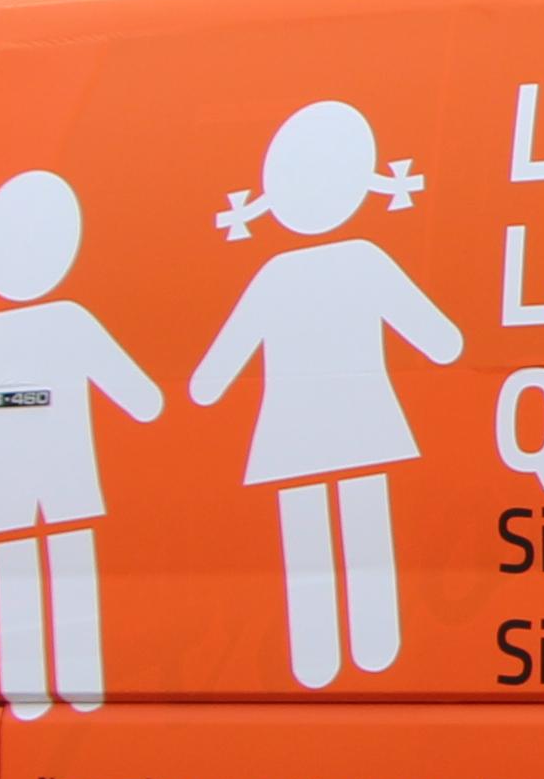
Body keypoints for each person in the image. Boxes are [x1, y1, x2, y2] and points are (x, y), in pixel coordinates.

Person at [189, 101, 465, 690]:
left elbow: (212, 376)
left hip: (289, 435)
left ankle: (315, 658)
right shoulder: (366, 261)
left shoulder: (273, 276)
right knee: (365, 532)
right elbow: (441, 342)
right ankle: (375, 646)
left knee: (307, 542)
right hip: (366, 424)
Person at [0, 171, 163, 719]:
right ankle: (79, 681)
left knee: (19, 579)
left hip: (9, 487)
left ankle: (28, 692)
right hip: (66, 479)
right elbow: (140, 398)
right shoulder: (68, 322)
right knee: (68, 573)